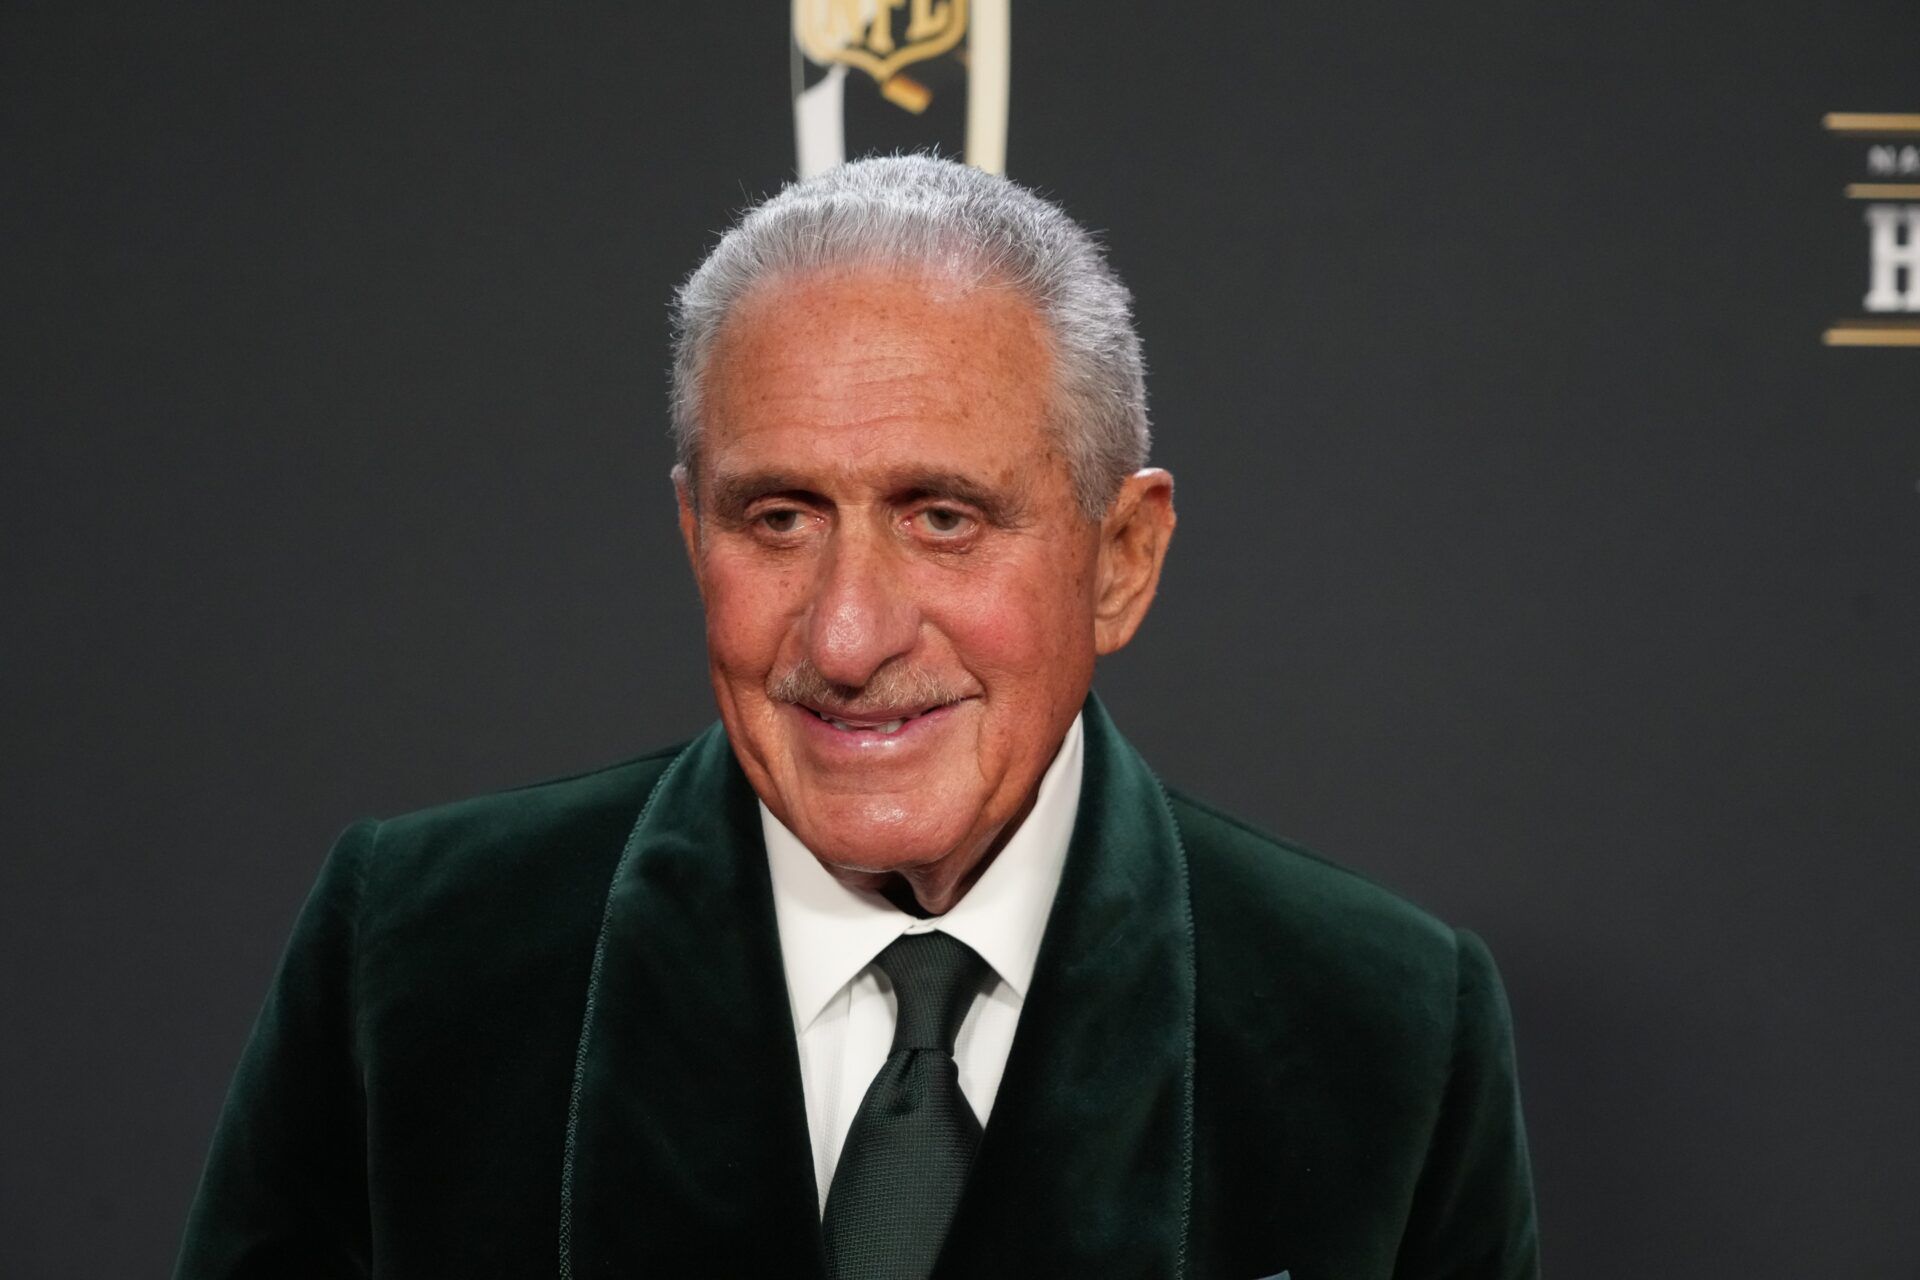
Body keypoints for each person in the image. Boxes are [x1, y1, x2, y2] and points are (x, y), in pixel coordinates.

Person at [176, 155, 1539, 1279]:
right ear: (686, 529)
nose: (845, 634)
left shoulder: (1387, 1031)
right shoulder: (415, 959)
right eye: (777, 520)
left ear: (1121, 555)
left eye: (944, 520)